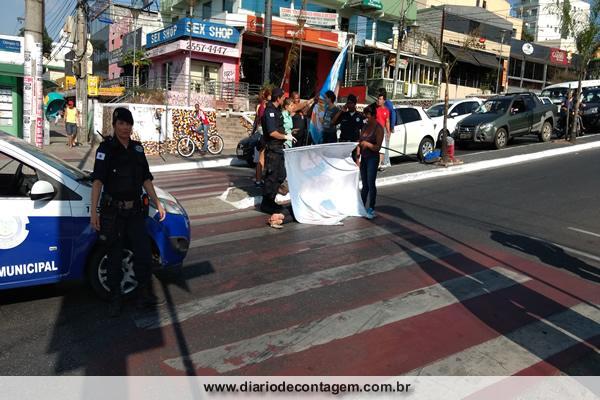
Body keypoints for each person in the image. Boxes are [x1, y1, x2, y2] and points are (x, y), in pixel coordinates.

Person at [90, 107, 167, 317]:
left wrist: (157, 203)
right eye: (121, 123)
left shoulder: (137, 149)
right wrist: (94, 212)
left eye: (128, 124)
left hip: (135, 212)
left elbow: (146, 179)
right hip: (113, 213)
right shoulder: (106, 149)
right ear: (114, 125)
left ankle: (143, 294)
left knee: (143, 253)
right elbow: (97, 182)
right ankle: (115, 297)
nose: (125, 128)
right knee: (114, 255)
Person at [260, 88, 295, 214]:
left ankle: (272, 199)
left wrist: (287, 134)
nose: (284, 99)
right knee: (272, 177)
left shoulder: (277, 110)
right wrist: (285, 136)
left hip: (278, 148)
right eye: (283, 97)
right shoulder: (270, 112)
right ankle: (266, 203)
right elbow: (272, 132)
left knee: (281, 175)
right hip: (273, 149)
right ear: (278, 98)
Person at [356, 104, 384, 220]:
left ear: (373, 115)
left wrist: (367, 144)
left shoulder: (379, 128)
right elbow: (359, 141)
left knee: (371, 183)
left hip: (373, 158)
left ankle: (371, 207)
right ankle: (362, 205)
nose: (366, 118)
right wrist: (358, 156)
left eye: (367, 115)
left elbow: (377, 147)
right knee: (365, 184)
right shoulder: (365, 126)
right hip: (364, 158)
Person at [254, 89, 271, 186]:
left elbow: (257, 120)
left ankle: (259, 179)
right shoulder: (265, 106)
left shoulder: (259, 106)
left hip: (260, 131)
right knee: (262, 157)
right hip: (263, 132)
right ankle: (259, 179)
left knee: (261, 158)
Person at [375, 93, 391, 170]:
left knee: (382, 149)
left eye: (380, 99)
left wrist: (388, 131)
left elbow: (387, 121)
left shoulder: (386, 110)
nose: (379, 100)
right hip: (374, 131)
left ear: (384, 101)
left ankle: (379, 164)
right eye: (378, 99)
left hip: (382, 132)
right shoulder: (375, 109)